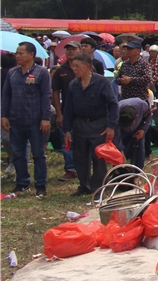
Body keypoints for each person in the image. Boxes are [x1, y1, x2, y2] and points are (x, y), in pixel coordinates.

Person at [1, 42, 52, 197]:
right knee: (18, 153)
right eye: (17, 53)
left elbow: (46, 96)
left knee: (38, 154)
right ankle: (22, 183)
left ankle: (40, 184)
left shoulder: (41, 73)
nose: (17, 56)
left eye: (21, 53)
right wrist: (3, 115)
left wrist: (45, 118)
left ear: (31, 55)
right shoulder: (12, 73)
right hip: (16, 120)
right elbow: (6, 95)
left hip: (35, 121)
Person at [63, 54, 118, 196]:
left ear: (87, 67)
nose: (74, 69)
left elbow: (113, 104)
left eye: (77, 66)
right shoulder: (73, 85)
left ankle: (97, 187)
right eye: (73, 66)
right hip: (80, 124)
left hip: (98, 124)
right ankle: (84, 185)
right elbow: (68, 108)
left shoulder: (101, 82)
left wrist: (111, 126)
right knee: (80, 157)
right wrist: (67, 129)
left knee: (98, 157)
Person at [50, 40, 80, 182]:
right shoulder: (60, 71)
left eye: (73, 49)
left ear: (79, 51)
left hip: (85, 112)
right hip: (66, 111)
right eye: (68, 49)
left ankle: (83, 167)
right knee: (66, 141)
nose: (70, 51)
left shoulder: (88, 68)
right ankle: (70, 169)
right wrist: (59, 113)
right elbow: (55, 92)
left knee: (83, 141)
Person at [117, 97, 152, 167]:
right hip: (120, 130)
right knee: (119, 151)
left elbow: (149, 117)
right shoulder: (115, 111)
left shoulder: (143, 106)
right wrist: (120, 151)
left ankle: (138, 172)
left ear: (136, 117)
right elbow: (116, 136)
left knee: (140, 148)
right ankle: (119, 169)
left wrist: (143, 129)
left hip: (138, 127)